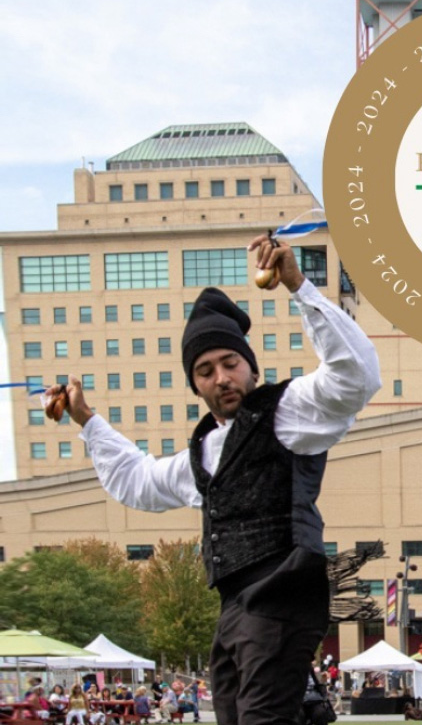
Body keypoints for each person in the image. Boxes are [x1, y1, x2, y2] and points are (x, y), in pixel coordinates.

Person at [48, 233, 382, 725]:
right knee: (233, 715)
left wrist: (298, 286)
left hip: (284, 589)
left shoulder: (288, 411)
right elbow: (138, 481)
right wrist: (87, 420)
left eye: (230, 364)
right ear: (194, 384)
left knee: (260, 719)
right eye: (205, 370)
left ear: (250, 367)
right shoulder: (202, 451)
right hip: (234, 606)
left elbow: (356, 376)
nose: (221, 377)